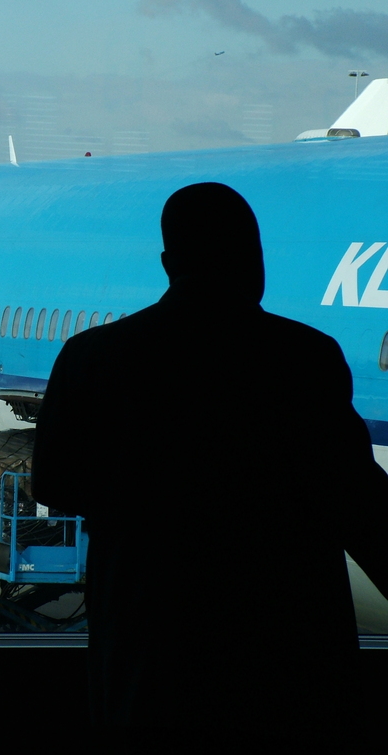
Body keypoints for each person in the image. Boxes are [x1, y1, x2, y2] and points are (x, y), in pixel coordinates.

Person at [32, 182, 388, 751]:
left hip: (151, 644)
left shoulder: (93, 357)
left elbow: (55, 483)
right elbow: (360, 506)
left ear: (170, 263)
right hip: (287, 651)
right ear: (254, 259)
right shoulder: (305, 357)